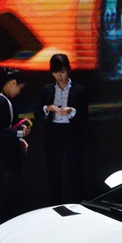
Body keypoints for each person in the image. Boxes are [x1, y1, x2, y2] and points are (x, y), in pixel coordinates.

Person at [35, 53, 88, 205]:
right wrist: (47, 108)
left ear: (68, 70)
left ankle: (79, 205)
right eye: (56, 72)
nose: (60, 76)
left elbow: (85, 115)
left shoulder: (79, 90)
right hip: (53, 133)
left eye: (63, 72)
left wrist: (72, 111)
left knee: (76, 172)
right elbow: (37, 113)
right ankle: (54, 206)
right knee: (53, 173)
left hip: (72, 133)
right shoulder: (47, 89)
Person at [0, 67, 30, 225]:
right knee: (9, 191)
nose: (19, 92)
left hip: (7, 153)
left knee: (10, 191)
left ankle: (6, 222)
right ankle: (5, 223)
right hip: (6, 155)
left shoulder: (2, 100)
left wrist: (18, 136)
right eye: (19, 88)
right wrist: (19, 134)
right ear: (12, 83)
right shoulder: (1, 101)